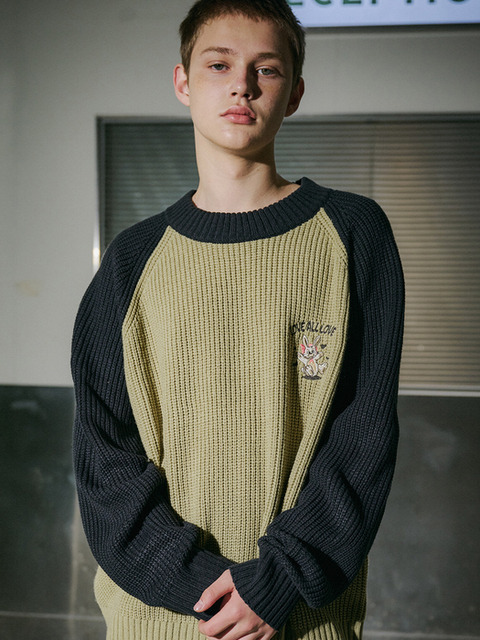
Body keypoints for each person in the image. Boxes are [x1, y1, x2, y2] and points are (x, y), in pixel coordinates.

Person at [71, 1, 404, 639]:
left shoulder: (353, 234)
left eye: (267, 69)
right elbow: (103, 453)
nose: (242, 86)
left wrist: (276, 581)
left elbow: (362, 436)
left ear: (294, 93)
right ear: (183, 82)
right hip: (157, 619)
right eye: (219, 64)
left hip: (300, 618)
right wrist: (202, 586)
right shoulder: (132, 260)